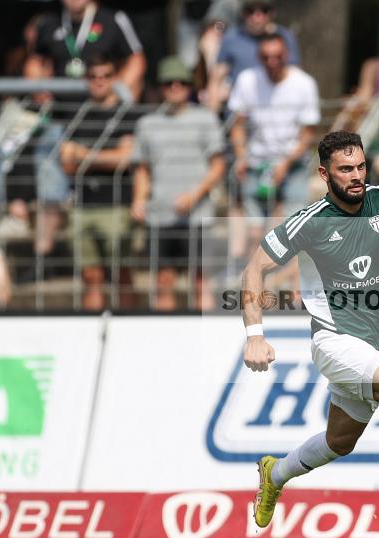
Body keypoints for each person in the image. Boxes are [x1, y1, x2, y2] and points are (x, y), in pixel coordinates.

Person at [243, 130, 379, 537]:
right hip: (334, 339)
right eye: (346, 169)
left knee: (340, 441)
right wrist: (254, 333)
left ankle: (275, 474)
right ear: (325, 174)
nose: (357, 175)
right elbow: (255, 268)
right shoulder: (310, 221)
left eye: (360, 166)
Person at [130, 56, 226, 311]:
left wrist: (194, 196)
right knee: (163, 279)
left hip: (198, 214)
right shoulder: (147, 124)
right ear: (161, 87)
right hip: (160, 214)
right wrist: (139, 199)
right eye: (169, 83)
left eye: (181, 83)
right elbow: (142, 168)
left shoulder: (206, 119)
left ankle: (205, 339)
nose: (175, 87)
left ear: (189, 86)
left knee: (201, 279)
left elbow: (218, 166)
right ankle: (166, 339)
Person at [59, 56, 143, 310]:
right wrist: (105, 156)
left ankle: (130, 329)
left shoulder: (126, 113)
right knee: (90, 275)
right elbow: (66, 163)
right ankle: (91, 331)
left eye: (105, 76)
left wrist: (84, 155)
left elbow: (125, 159)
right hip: (83, 205)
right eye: (93, 76)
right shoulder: (77, 114)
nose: (99, 81)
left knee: (122, 274)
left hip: (117, 204)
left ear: (115, 78)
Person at [228, 32, 319, 245]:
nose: (272, 62)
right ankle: (255, 277)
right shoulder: (247, 80)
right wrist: (241, 157)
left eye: (277, 56)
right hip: (256, 162)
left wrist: (285, 163)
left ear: (287, 54)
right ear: (258, 57)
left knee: (293, 232)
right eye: (266, 57)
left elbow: (308, 133)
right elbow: (237, 124)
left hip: (293, 163)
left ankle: (285, 278)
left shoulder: (304, 83)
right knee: (254, 233)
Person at [25, 0, 146, 100]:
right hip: (62, 111)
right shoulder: (48, 22)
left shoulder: (113, 19)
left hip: (103, 110)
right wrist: (39, 91)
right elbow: (34, 61)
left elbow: (136, 61)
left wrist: (117, 93)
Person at [216, 0, 300, 92]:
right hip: (240, 101)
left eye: (264, 10)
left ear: (272, 13)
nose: (257, 17)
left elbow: (294, 74)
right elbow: (216, 78)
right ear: (243, 13)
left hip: (277, 98)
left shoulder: (285, 37)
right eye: (250, 11)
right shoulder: (231, 38)